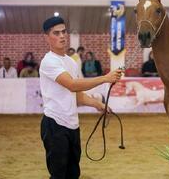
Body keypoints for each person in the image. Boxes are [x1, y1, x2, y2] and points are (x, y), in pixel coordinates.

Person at [39, 16, 122, 179]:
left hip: (72, 125)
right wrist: (105, 78)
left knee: (73, 173)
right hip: (55, 124)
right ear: (47, 37)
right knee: (58, 174)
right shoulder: (48, 61)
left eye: (64, 32)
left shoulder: (70, 62)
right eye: (56, 33)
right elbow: (72, 85)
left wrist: (98, 104)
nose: (62, 36)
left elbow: (77, 97)